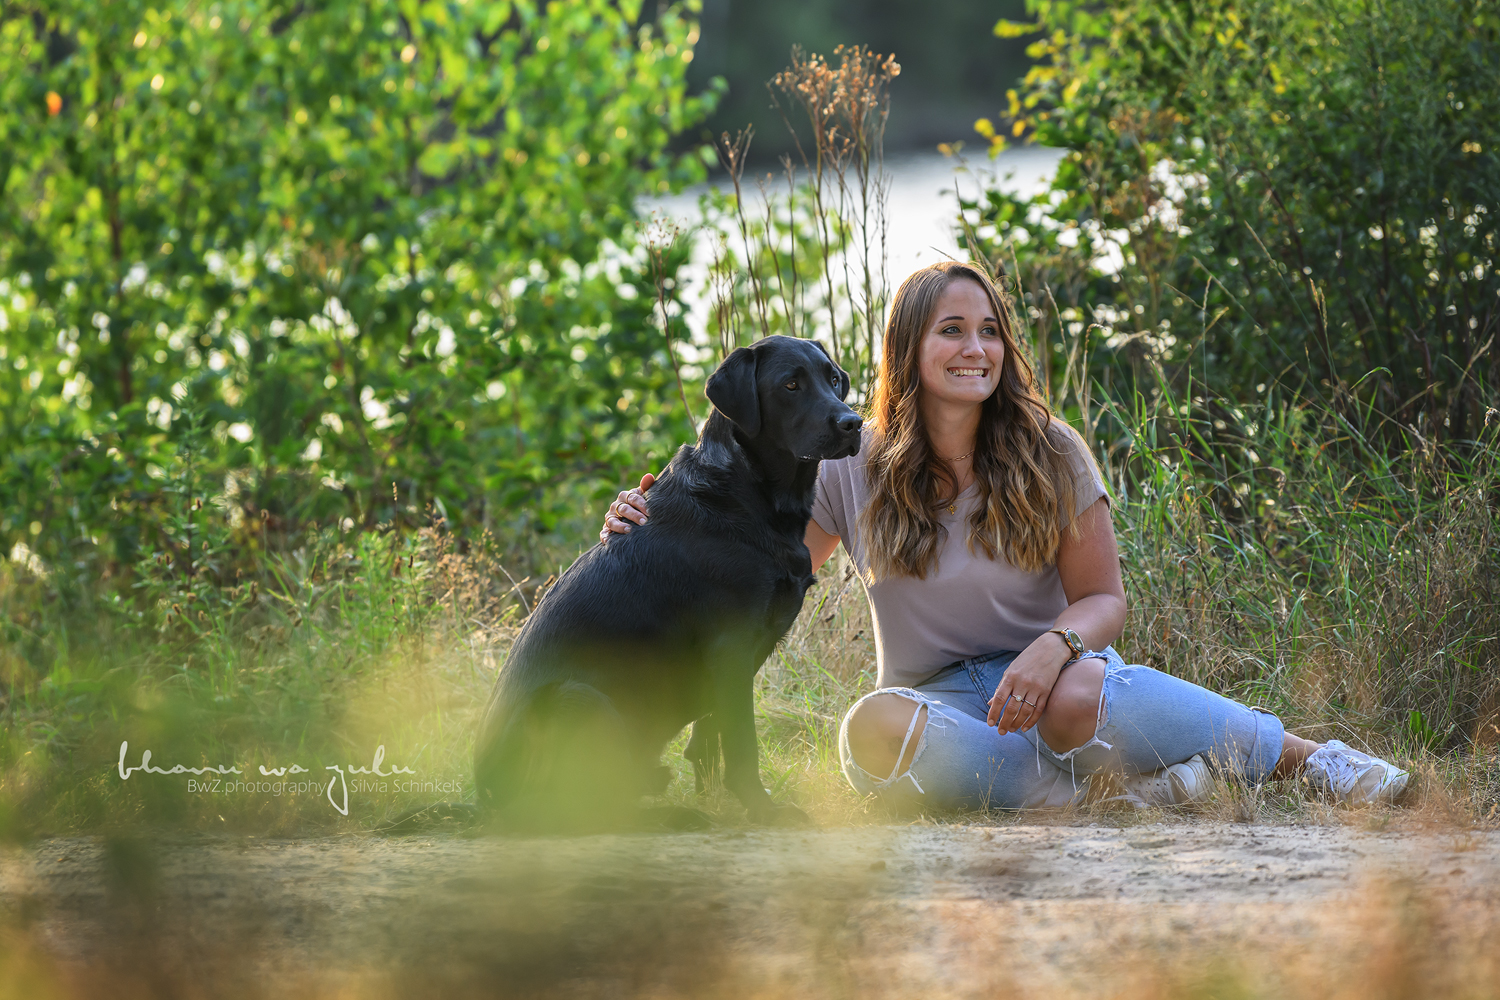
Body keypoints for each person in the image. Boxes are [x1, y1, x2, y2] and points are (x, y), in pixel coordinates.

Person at [602, 261, 1409, 811]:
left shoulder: (1051, 449)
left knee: (1079, 698)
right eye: (952, 330)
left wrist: (1053, 647)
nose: (976, 348)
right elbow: (758, 572)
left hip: (1057, 683)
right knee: (870, 728)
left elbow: (1102, 600)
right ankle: (1125, 798)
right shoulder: (849, 464)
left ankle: (1313, 761)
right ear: (909, 349)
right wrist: (654, 533)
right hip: (943, 709)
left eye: (988, 330)